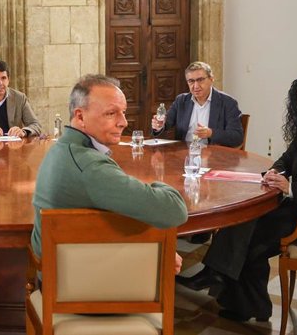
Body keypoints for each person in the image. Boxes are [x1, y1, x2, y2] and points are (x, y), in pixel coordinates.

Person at [177, 71, 297, 322]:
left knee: (250, 239)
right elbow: (287, 159)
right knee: (246, 221)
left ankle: (227, 284)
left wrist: (291, 188)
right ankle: (239, 296)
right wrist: (274, 171)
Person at [30, 74, 188, 273]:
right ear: (80, 117)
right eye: (111, 113)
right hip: (82, 282)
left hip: (62, 270)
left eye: (123, 112)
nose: (123, 122)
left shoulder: (61, 148)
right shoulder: (90, 166)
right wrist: (157, 183)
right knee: (165, 254)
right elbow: (174, 211)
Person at [152, 61, 243, 147]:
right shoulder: (181, 101)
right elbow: (166, 124)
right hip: (183, 154)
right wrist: (158, 125)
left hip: (213, 157)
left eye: (200, 80)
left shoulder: (228, 103)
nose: (196, 86)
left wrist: (210, 133)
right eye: (191, 81)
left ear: (211, 79)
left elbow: (237, 137)